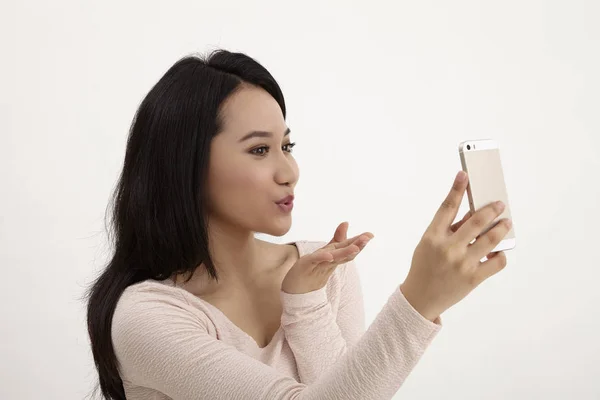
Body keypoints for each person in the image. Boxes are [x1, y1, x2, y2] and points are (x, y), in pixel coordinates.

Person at [85, 49, 511, 400]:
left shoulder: (323, 270)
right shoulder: (145, 315)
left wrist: (306, 304)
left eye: (287, 145)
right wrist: (418, 301)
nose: (289, 170)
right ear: (187, 165)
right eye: (259, 150)